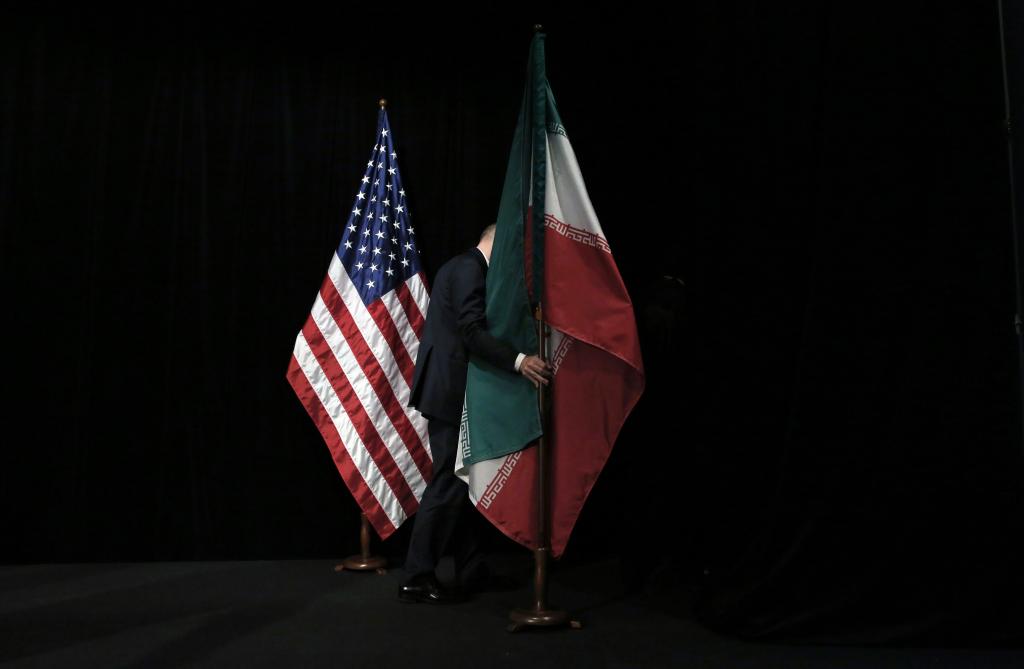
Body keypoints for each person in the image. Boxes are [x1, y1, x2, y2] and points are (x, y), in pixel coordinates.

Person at [400, 224, 551, 604]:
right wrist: (519, 361)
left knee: (459, 484)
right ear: (495, 244)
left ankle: (470, 568)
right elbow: (471, 332)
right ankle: (416, 575)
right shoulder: (470, 269)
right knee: (448, 484)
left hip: (449, 388)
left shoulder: (461, 267)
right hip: (449, 391)